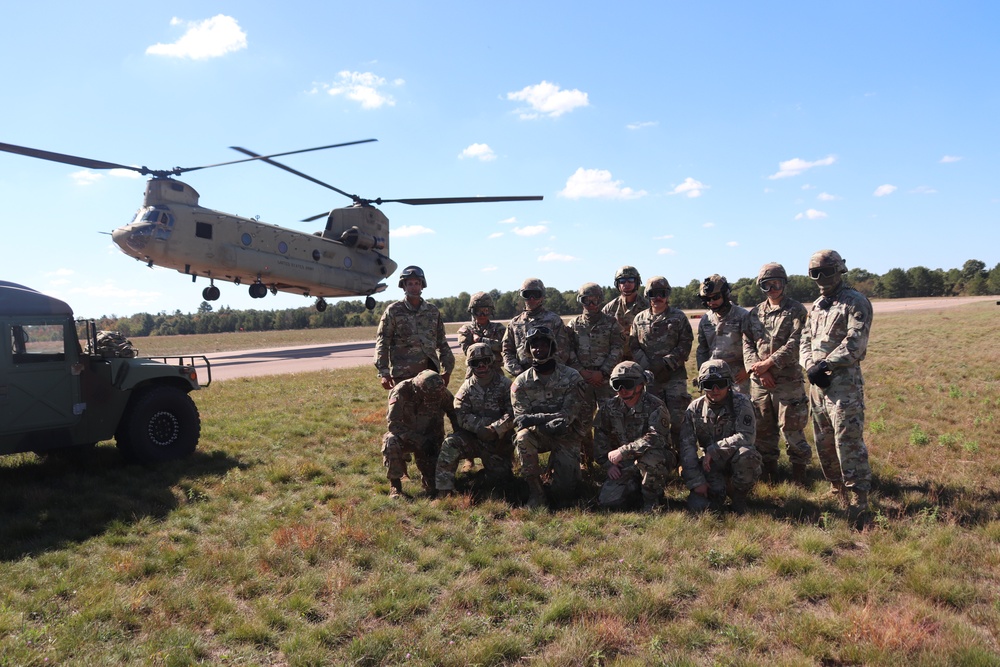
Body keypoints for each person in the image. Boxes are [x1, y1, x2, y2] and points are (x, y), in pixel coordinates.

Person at [800, 249, 873, 518]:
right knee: (824, 440)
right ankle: (836, 489)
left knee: (848, 441)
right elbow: (805, 339)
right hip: (817, 385)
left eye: (826, 271)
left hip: (844, 385)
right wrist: (809, 365)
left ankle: (858, 498)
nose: (821, 278)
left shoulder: (855, 302)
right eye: (814, 273)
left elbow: (856, 342)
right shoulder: (817, 306)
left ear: (840, 270)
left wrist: (826, 364)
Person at [743, 262, 812, 484]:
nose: (773, 289)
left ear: (784, 284)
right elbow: (747, 344)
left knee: (792, 429)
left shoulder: (796, 310)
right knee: (763, 431)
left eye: (777, 283)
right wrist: (759, 370)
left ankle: (799, 477)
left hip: (788, 382)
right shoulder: (754, 314)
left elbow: (797, 341)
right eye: (767, 285)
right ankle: (769, 476)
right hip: (761, 383)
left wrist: (770, 363)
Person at [511, 326, 587, 508]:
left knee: (565, 494)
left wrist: (536, 418)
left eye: (544, 344)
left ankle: (559, 473)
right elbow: (521, 419)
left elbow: (568, 415)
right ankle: (536, 493)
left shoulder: (572, 377)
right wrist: (545, 422)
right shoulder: (521, 382)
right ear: (528, 350)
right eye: (534, 345)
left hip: (566, 435)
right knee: (522, 438)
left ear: (552, 347)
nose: (539, 349)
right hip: (539, 435)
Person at [680, 360, 762, 513]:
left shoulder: (742, 403)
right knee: (700, 508)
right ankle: (721, 491)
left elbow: (747, 436)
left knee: (748, 455)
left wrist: (714, 450)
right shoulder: (694, 409)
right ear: (701, 386)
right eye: (709, 384)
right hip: (710, 467)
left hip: (735, 461)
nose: (715, 389)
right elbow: (687, 449)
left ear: (729, 384)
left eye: (720, 383)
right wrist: (697, 481)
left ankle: (739, 497)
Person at [435, 343, 515, 496]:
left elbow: (514, 412)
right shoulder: (466, 389)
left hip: (498, 441)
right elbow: (460, 414)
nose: (481, 366)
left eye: (485, 361)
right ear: (470, 365)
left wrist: (495, 428)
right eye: (475, 363)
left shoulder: (505, 385)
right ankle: (443, 491)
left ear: (491, 361)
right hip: (473, 438)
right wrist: (480, 428)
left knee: (501, 481)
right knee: (450, 444)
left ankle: (483, 475)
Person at [594, 361, 674, 512]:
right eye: (617, 385)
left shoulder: (656, 406)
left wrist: (623, 451)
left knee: (651, 458)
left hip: (654, 457)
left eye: (627, 384)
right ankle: (636, 488)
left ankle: (651, 501)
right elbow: (601, 438)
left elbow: (656, 438)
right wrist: (608, 465)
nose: (622, 390)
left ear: (640, 385)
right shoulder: (609, 407)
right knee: (608, 501)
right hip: (625, 463)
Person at [629, 275, 693, 451]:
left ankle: (683, 461)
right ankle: (659, 457)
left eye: (662, 293)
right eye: (653, 294)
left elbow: (686, 343)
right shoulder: (639, 319)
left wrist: (667, 363)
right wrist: (648, 367)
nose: (658, 298)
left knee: (678, 421)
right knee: (653, 421)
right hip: (650, 379)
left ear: (668, 295)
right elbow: (634, 345)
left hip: (674, 378)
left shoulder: (678, 317)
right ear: (647, 295)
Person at [568, 282, 625, 464]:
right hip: (583, 382)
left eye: (595, 300)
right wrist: (582, 372)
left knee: (612, 420)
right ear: (580, 301)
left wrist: (603, 372)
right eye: (586, 300)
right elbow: (568, 351)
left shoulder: (611, 324)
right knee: (581, 422)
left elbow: (617, 348)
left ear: (600, 300)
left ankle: (613, 459)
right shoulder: (573, 325)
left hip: (605, 381)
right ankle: (586, 461)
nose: (591, 304)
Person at [373, 265, 455, 390]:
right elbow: (383, 342)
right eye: (410, 284)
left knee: (431, 409)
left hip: (430, 375)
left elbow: (442, 342)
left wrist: (447, 370)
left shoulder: (432, 311)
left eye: (417, 283)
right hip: (403, 376)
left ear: (422, 285)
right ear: (404, 286)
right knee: (402, 409)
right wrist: (384, 372)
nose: (414, 287)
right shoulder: (393, 311)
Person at [381, 369, 458, 498]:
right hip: (406, 436)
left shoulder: (441, 391)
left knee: (433, 486)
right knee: (391, 441)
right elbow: (394, 424)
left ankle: (428, 480)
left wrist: (458, 435)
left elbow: (454, 413)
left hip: (430, 438)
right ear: (418, 389)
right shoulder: (401, 391)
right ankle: (395, 485)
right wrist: (417, 440)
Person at [501, 277, 572, 377]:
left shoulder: (554, 320)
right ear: (522, 296)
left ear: (542, 296)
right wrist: (519, 373)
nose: (532, 298)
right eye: (527, 294)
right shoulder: (514, 323)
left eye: (536, 294)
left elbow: (563, 351)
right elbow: (507, 352)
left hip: (551, 376)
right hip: (524, 376)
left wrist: (549, 371)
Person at [696, 274, 750, 394]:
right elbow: (702, 349)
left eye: (715, 297)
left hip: (738, 374)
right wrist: (702, 371)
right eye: (707, 299)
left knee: (740, 407)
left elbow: (754, 346)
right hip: (713, 373)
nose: (711, 302)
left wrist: (748, 369)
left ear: (725, 295)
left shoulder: (743, 316)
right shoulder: (706, 319)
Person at [602, 266, 649, 361]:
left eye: (631, 280)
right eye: (622, 280)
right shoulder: (610, 308)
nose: (626, 284)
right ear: (617, 284)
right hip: (615, 361)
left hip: (641, 360)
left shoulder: (647, 307)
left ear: (637, 282)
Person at [456, 291, 506, 377]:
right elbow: (468, 352)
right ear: (472, 312)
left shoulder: (498, 328)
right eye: (478, 311)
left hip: (495, 374)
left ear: (491, 311)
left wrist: (480, 340)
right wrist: (491, 344)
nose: (482, 315)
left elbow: (503, 346)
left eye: (486, 311)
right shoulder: (466, 331)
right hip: (474, 374)